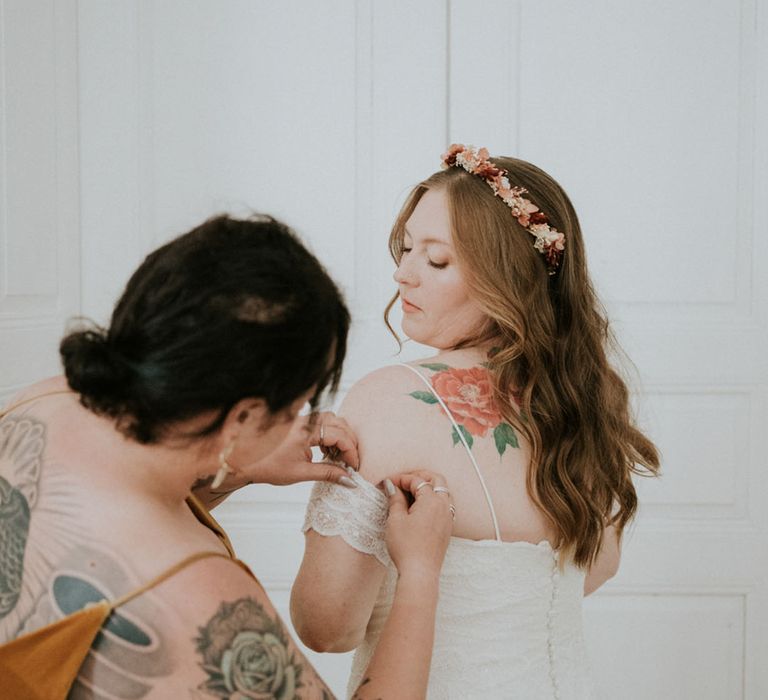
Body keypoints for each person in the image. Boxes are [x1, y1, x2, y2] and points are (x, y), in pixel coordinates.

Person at [0, 214, 454, 699]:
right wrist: (420, 573)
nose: (300, 420)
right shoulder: (204, 601)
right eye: (297, 405)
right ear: (241, 418)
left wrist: (231, 467)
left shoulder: (36, 405)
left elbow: (102, 526)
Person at [291, 145, 661, 698]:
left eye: (436, 260)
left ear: (507, 280)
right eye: (407, 248)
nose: (402, 273)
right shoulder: (591, 400)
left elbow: (327, 628)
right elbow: (594, 570)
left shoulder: (389, 399)